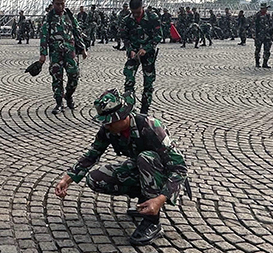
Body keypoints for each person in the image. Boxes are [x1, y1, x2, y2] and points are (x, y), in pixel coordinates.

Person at [53, 89, 187, 246]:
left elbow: (180, 169)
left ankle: (153, 221)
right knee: (96, 179)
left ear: (123, 116)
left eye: (110, 121)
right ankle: (145, 200)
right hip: (142, 168)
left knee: (146, 158)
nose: (106, 125)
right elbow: (92, 154)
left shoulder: (151, 127)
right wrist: (67, 179)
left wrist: (160, 199)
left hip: (163, 174)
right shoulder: (109, 130)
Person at [37, 0, 85, 114]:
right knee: (57, 78)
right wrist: (43, 53)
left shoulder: (69, 15)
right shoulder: (49, 17)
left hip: (70, 52)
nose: (60, 6)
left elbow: (77, 31)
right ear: (53, 4)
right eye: (57, 4)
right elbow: (44, 36)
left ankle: (68, 95)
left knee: (74, 75)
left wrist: (83, 48)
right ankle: (59, 103)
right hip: (56, 53)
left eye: (62, 4)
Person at [119, 0, 162, 114]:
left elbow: (158, 36)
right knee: (129, 79)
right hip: (133, 55)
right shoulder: (127, 20)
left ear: (142, 7)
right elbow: (124, 37)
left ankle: (144, 110)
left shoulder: (152, 18)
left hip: (148, 55)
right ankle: (129, 108)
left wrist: (146, 49)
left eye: (138, 12)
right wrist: (130, 50)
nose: (136, 15)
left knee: (148, 82)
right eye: (133, 12)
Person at [253, 3, 273, 68]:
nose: (265, 10)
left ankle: (265, 63)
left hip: (267, 35)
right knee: (258, 49)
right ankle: (257, 63)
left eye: (266, 8)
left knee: (267, 50)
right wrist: (254, 34)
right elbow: (253, 25)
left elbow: (271, 25)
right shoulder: (257, 15)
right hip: (259, 35)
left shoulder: (268, 15)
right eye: (264, 8)